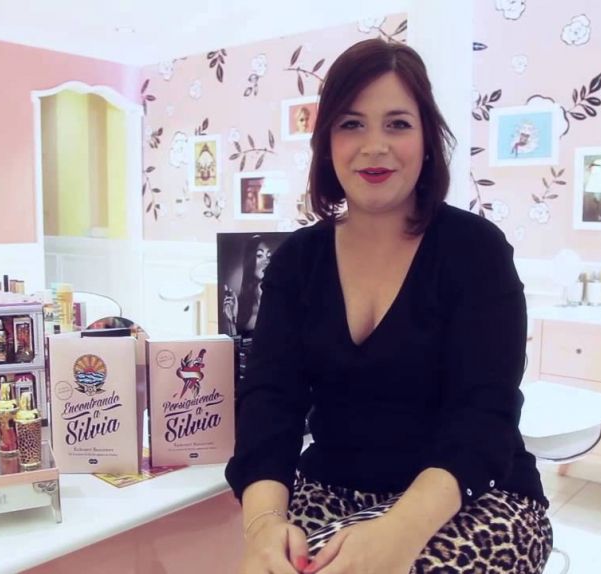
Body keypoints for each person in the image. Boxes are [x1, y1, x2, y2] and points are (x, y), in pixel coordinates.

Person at [225, 38, 551, 574]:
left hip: (473, 495)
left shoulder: (475, 250)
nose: (374, 146)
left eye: (397, 124)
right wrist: (262, 529)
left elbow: (484, 415)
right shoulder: (296, 262)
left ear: (427, 140)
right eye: (352, 124)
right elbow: (270, 403)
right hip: (331, 491)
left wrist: (399, 533)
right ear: (327, 142)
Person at [222, 235, 274, 336]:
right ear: (250, 261)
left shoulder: (281, 298)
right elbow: (237, 342)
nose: (266, 261)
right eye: (259, 255)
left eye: (268, 256)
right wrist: (231, 321)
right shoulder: (241, 304)